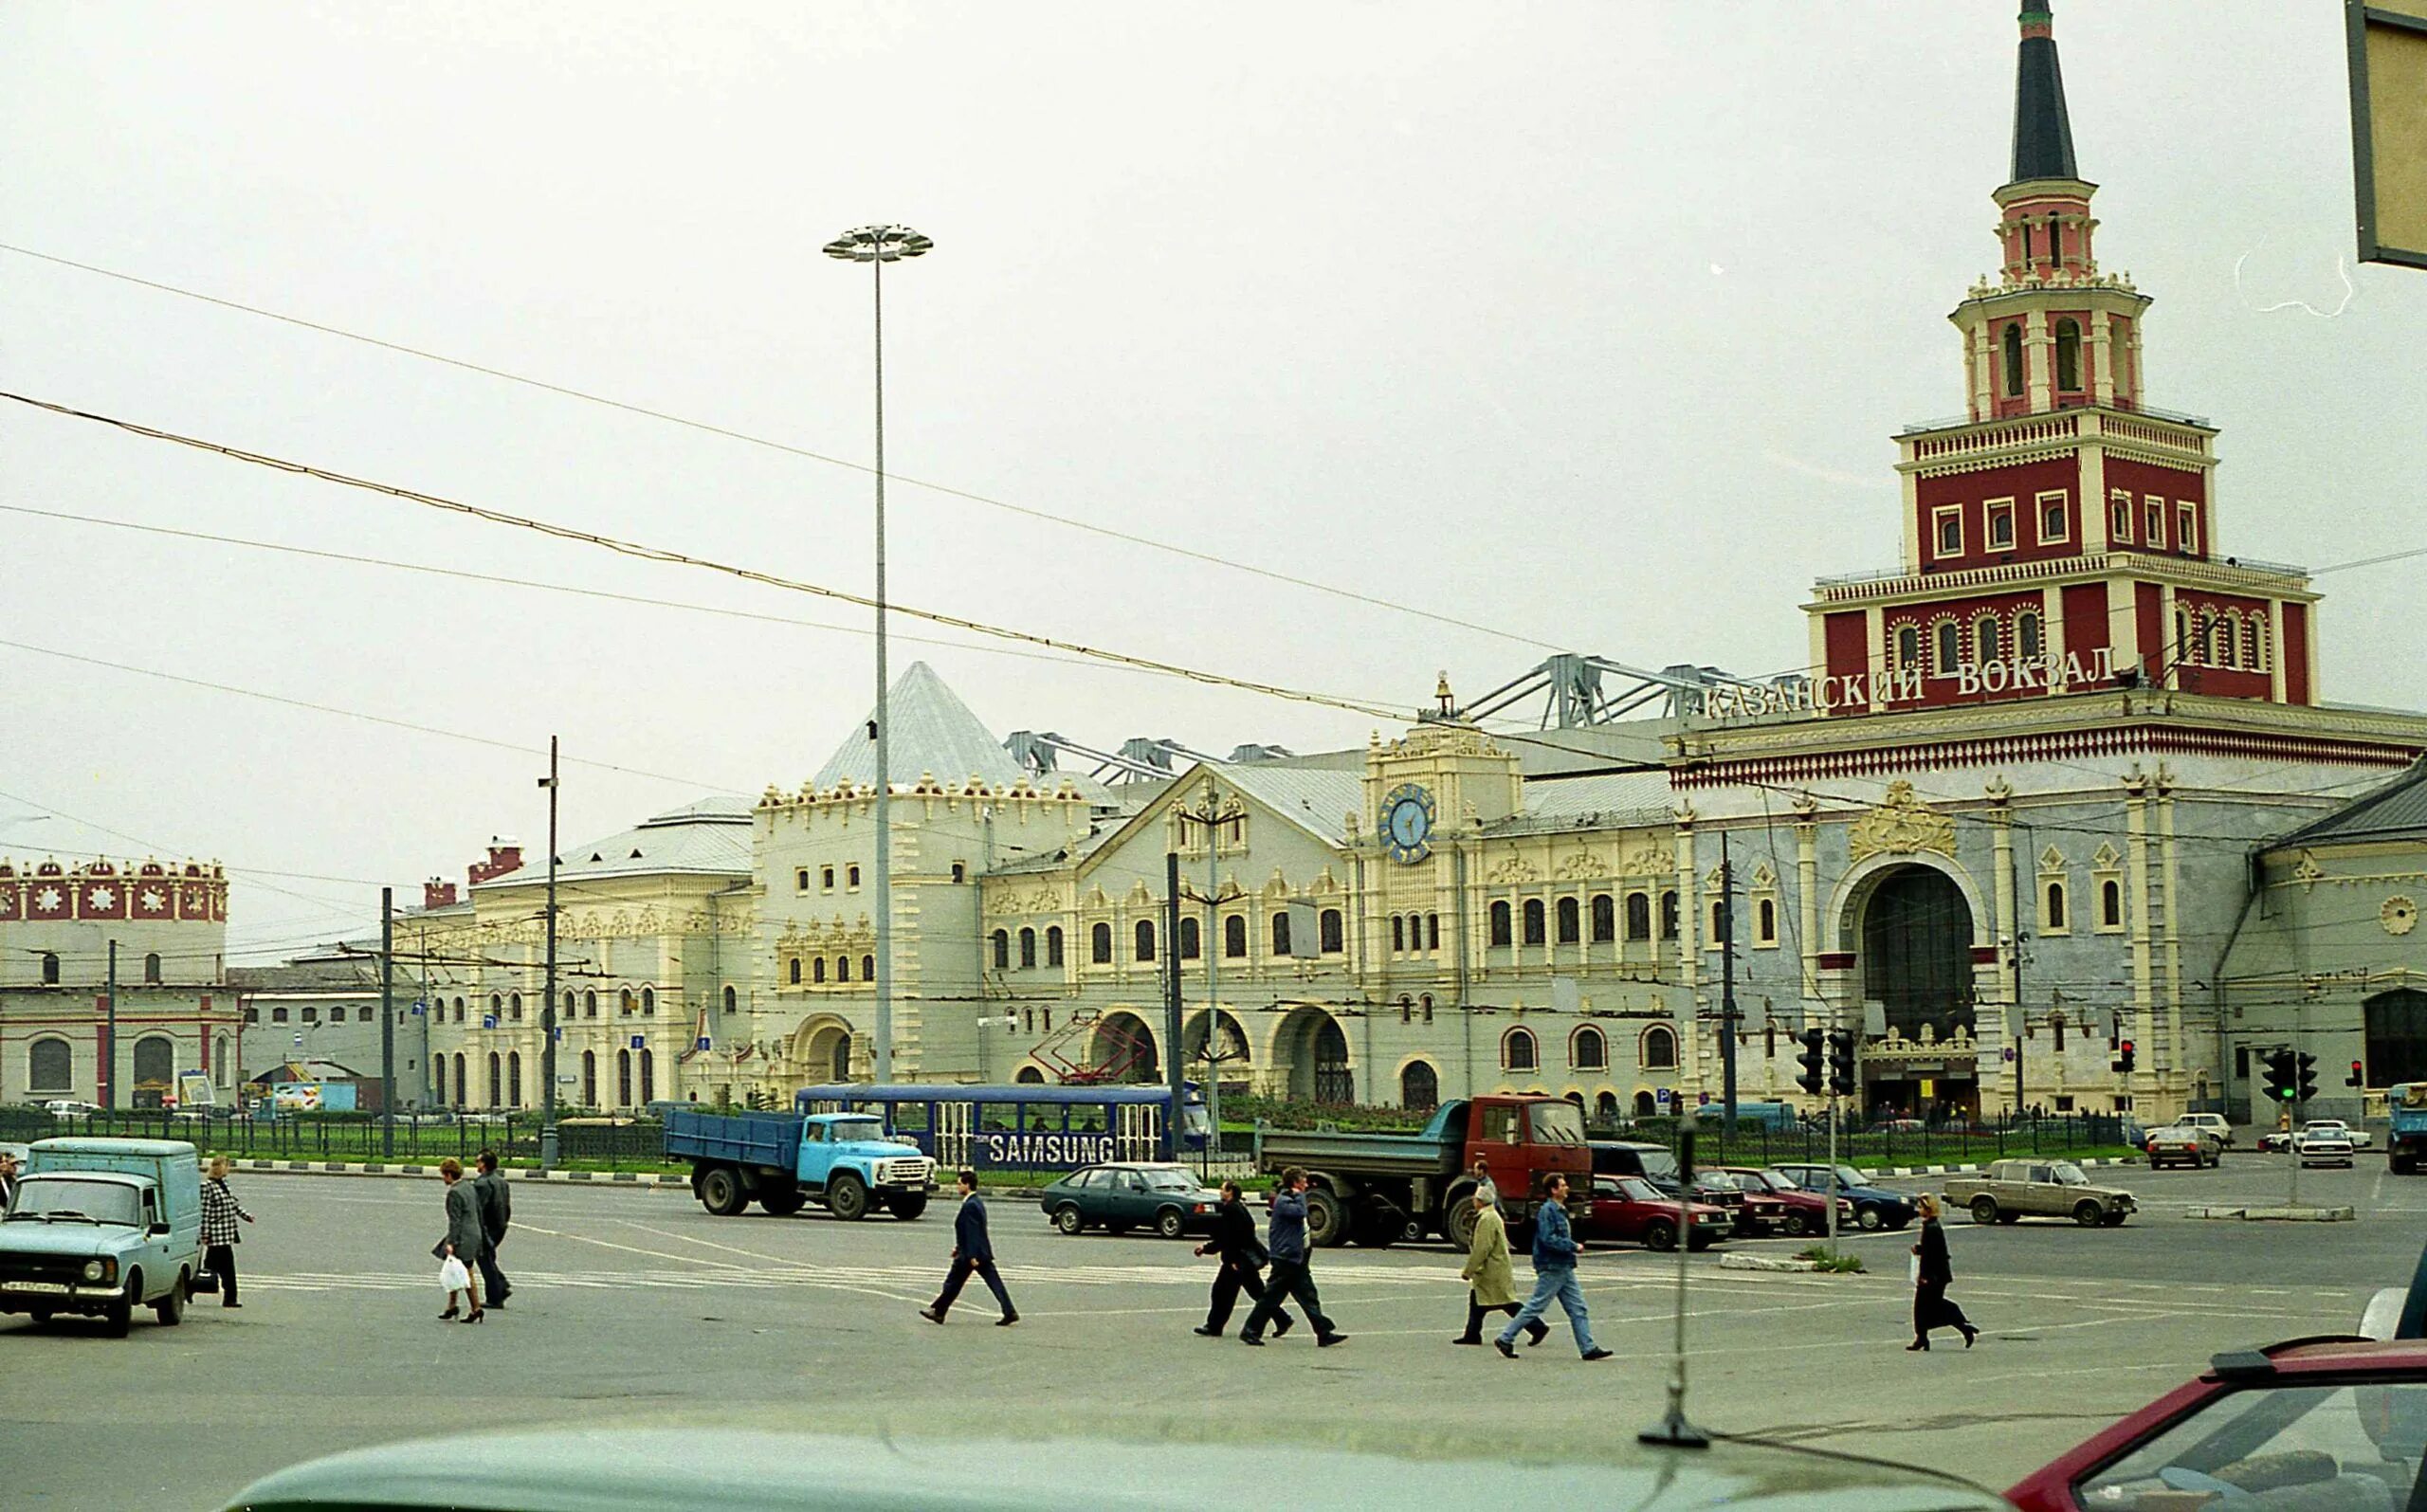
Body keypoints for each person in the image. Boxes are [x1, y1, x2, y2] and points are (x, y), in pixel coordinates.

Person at [1495, 1174, 1611, 1361]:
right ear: (1553, 1190)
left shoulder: (1560, 1210)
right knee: (1536, 1305)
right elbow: (1548, 1239)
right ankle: (1505, 1338)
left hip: (1563, 1265)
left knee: (1578, 1308)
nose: (1567, 1188)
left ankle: (1588, 1348)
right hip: (1553, 1265)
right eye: (1563, 1185)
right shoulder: (1548, 1211)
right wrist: (1573, 1246)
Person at [1239, 1168, 1343, 1348]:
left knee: (1309, 1296)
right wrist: (1301, 1196)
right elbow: (1300, 1213)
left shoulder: (1292, 1198)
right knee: (1271, 1297)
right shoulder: (1284, 1200)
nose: (1306, 1184)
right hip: (1286, 1259)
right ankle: (1250, 1331)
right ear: (1295, 1183)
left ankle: (1323, 1333)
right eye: (1303, 1181)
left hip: (1298, 1259)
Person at [1193, 1179, 1290, 1339]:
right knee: (1257, 1292)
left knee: (1221, 1293)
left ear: (1230, 1192)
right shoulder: (1239, 1207)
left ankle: (1214, 1326)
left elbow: (1231, 1237)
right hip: (1243, 1259)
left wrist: (1213, 1251)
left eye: (1223, 1189)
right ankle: (1282, 1319)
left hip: (1236, 1261)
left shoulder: (1231, 1209)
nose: (1220, 1192)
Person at [922, 1170, 1018, 1326]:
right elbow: (970, 1230)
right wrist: (958, 1247)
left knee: (952, 1282)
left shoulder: (970, 1205)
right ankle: (1009, 1311)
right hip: (977, 1251)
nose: (957, 1187)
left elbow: (972, 1232)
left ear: (967, 1185)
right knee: (994, 1283)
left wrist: (971, 1255)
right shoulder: (976, 1202)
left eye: (959, 1184)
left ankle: (938, 1311)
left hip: (970, 1255)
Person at [1455, 1186, 1544, 1347]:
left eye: (1475, 1198)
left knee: (1507, 1303)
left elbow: (1482, 1248)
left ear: (1480, 1201)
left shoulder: (1486, 1219)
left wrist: (1469, 1270)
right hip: (1494, 1268)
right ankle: (1472, 1333)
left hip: (1491, 1269)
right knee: (1478, 1301)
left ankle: (1537, 1327)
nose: (1473, 1201)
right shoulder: (1491, 1215)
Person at [1908, 1193, 1978, 1351]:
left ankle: (1962, 1325)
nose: (1918, 1210)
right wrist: (1919, 1249)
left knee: (1928, 1306)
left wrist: (1925, 1276)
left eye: (1921, 1207)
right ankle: (1922, 1338)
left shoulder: (1932, 1228)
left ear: (1928, 1209)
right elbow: (1931, 1250)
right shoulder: (1930, 1225)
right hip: (1936, 1275)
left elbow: (1934, 1256)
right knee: (1926, 1307)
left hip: (1934, 1276)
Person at [198, 1156, 254, 1308]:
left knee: (211, 1266)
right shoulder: (207, 1187)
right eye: (226, 1166)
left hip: (227, 1233)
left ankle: (193, 1288)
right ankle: (230, 1298)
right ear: (219, 1167)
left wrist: (246, 1216)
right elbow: (205, 1212)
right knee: (227, 1267)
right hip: (216, 1235)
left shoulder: (224, 1184)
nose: (228, 1169)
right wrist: (205, 1234)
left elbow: (233, 1204)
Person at [435, 1157, 485, 1323]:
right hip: (474, 1233)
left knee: (466, 1273)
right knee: (454, 1270)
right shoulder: (469, 1187)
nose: (443, 1179)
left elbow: (455, 1220)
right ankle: (452, 1306)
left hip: (463, 1236)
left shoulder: (454, 1193)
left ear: (449, 1174)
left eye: (443, 1175)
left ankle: (476, 1308)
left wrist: (451, 1242)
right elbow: (478, 1211)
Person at [472, 1150, 513, 1309]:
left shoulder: (482, 1183)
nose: (476, 1164)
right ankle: (501, 1286)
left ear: (483, 1164)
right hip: (500, 1225)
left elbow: (478, 1208)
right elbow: (507, 1206)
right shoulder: (501, 1181)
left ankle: (495, 1297)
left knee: (484, 1261)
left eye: (477, 1161)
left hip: (487, 1227)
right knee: (488, 1258)